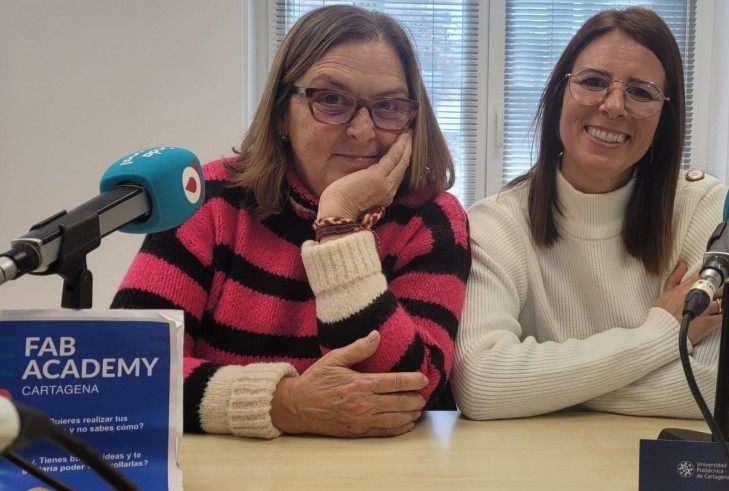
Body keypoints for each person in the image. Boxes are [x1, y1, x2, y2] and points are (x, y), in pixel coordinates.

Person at [111, 5, 470, 439]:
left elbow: (412, 390)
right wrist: (282, 403)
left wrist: (338, 226)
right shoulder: (207, 198)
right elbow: (123, 372)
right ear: (283, 113)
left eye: (389, 106)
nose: (362, 130)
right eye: (332, 100)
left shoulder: (432, 220)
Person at [451, 7, 729, 421]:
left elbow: (707, 389)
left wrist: (536, 387)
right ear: (560, 94)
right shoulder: (496, 221)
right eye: (593, 82)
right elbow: (481, 384)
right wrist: (662, 333)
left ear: (666, 117)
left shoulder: (703, 205)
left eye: (641, 93)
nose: (613, 107)